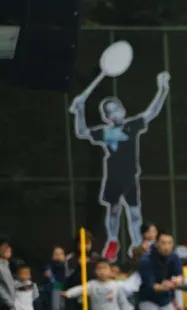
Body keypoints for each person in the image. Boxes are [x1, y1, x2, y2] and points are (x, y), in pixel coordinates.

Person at [70, 72, 170, 261]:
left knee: (134, 212)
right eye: (110, 111)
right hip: (113, 178)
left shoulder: (133, 126)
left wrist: (163, 89)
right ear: (107, 117)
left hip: (130, 177)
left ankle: (138, 243)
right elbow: (82, 131)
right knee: (114, 210)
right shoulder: (105, 132)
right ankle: (113, 241)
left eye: (117, 108)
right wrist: (80, 109)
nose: (115, 112)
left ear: (123, 110)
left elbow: (152, 112)